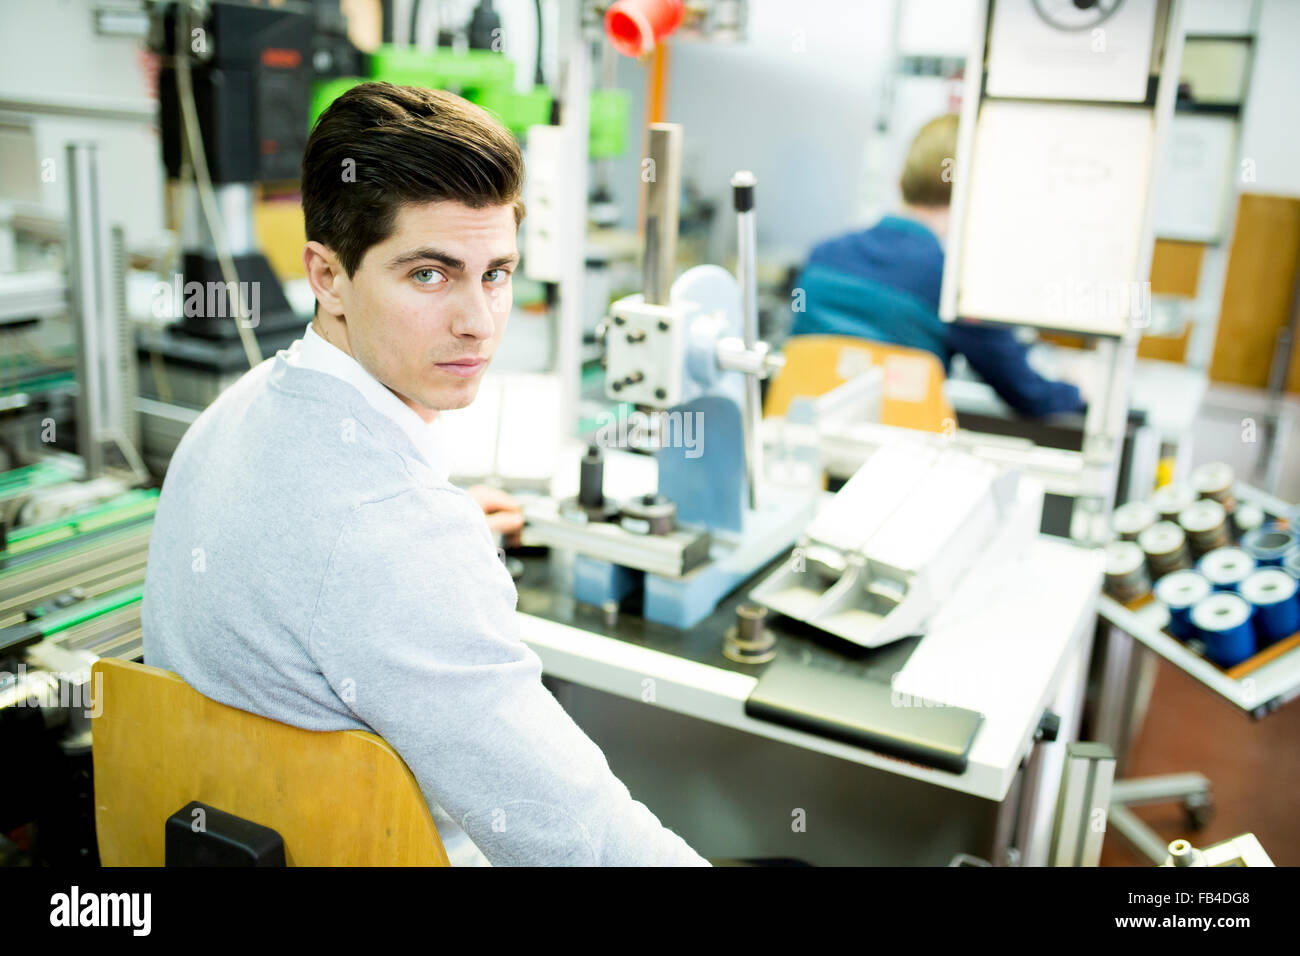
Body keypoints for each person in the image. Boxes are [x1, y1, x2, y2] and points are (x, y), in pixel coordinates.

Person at [141, 82, 708, 867]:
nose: (477, 319)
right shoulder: (393, 537)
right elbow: (581, 842)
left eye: (498, 273)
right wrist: (422, 540)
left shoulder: (232, 416)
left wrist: (432, 529)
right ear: (328, 275)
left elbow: (333, 560)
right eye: (430, 275)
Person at [789, 114, 1085, 418]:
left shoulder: (821, 255)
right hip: (899, 452)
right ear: (976, 193)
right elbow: (1028, 394)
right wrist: (1077, 388)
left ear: (900, 180)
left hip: (800, 439)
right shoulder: (955, 285)